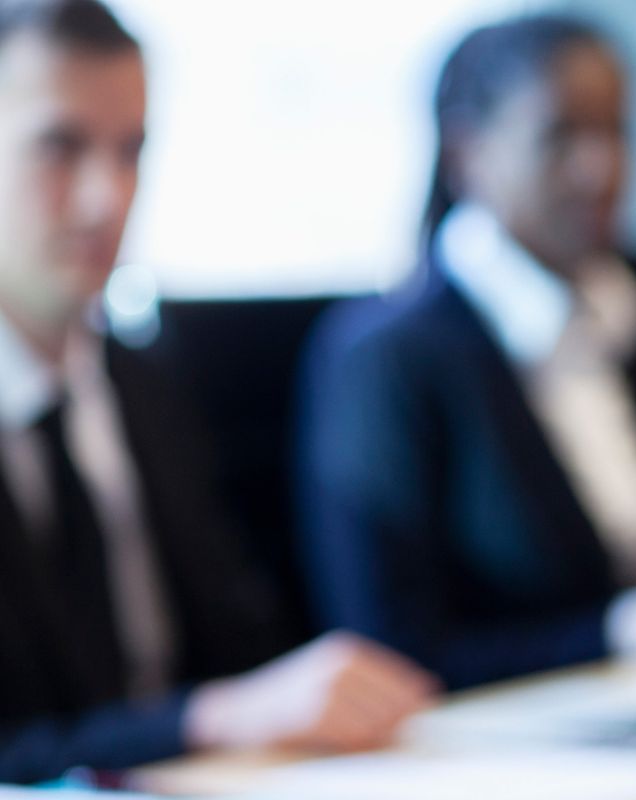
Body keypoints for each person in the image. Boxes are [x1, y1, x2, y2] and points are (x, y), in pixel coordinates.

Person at [0, 0, 434, 783]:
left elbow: (244, 650)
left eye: (132, 151)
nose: (109, 199)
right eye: (59, 149)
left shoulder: (145, 388)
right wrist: (212, 715)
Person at [298, 13, 636, 691]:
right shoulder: (389, 357)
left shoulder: (625, 318)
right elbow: (393, 655)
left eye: (617, 131)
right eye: (560, 135)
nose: (601, 169)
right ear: (467, 155)